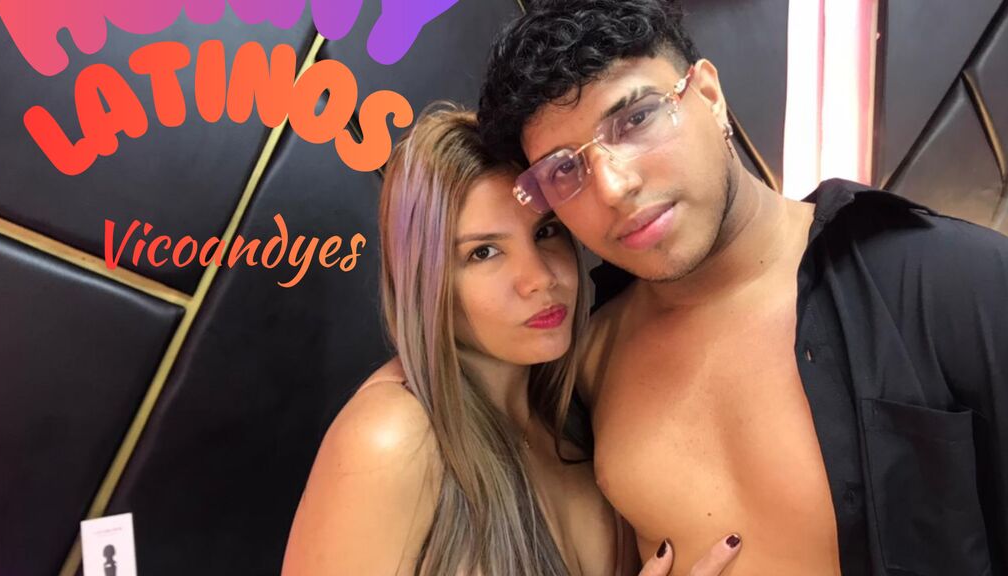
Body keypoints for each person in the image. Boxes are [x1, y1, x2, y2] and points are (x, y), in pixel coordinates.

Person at [477, 1, 1008, 575]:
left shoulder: (950, 281)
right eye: (563, 169)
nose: (613, 185)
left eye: (636, 119)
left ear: (708, 95)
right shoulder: (585, 361)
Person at [281, 106, 743, 575]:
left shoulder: (580, 411)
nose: (539, 277)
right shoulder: (390, 439)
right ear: (425, 281)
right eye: (483, 252)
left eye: (546, 232)